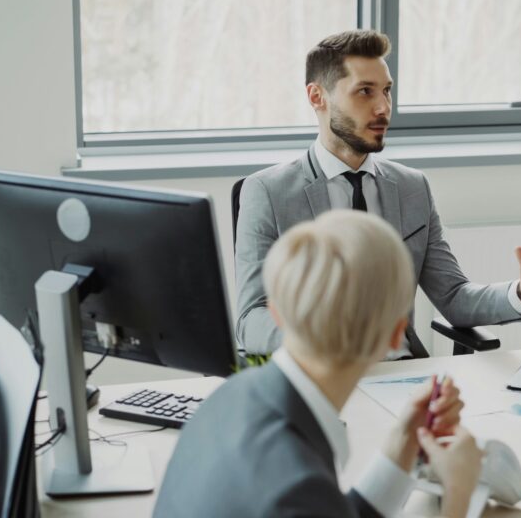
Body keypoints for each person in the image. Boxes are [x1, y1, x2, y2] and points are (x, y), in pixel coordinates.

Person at [236, 29, 521, 357]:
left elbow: (455, 298)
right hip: (317, 374)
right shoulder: (268, 192)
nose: (383, 108)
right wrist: (321, 339)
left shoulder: (412, 188)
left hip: (401, 373)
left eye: (387, 91)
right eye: (365, 91)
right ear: (318, 97)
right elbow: (251, 320)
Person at [156, 211, 484, 517]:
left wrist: (403, 441)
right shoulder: (298, 489)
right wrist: (458, 493)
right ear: (396, 335)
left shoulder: (227, 397)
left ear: (276, 313)